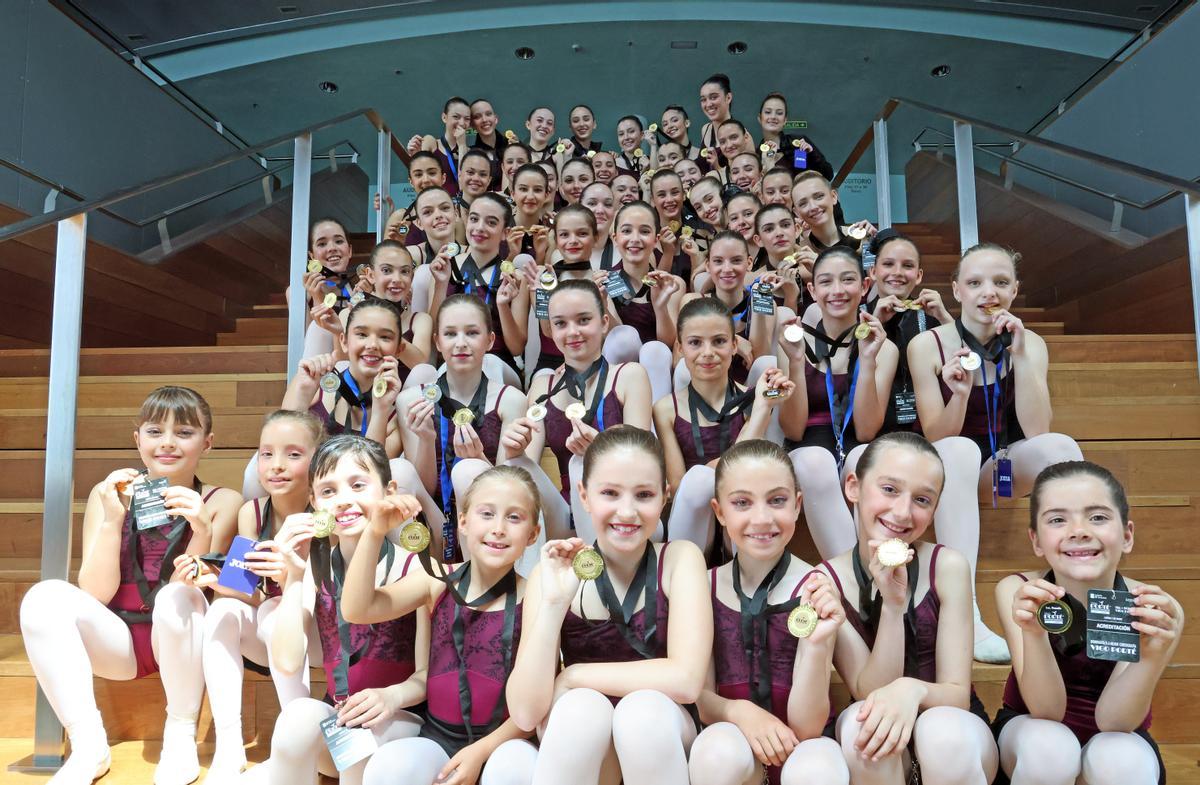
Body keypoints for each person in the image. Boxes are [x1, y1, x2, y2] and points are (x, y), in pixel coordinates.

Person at [20, 387, 240, 785]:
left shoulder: (223, 501)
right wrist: (112, 519)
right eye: (155, 431)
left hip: (179, 640)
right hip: (116, 638)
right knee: (43, 597)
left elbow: (192, 586)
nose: (168, 443)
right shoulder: (109, 495)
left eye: (185, 432)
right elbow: (95, 593)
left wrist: (202, 526)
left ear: (207, 443)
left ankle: (180, 733)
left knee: (177, 595)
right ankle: (89, 747)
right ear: (137, 439)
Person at [501, 426, 712, 785]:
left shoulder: (680, 559)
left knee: (640, 712)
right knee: (583, 709)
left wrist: (574, 676)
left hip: (660, 730)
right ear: (584, 495)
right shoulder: (549, 573)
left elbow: (687, 681)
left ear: (665, 496)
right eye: (610, 493)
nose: (626, 511)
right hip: (580, 733)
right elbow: (524, 712)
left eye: (643, 494)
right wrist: (554, 603)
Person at [909, 242, 1084, 661]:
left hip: (998, 469)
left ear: (1015, 289)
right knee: (959, 451)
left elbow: (1038, 430)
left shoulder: (1030, 343)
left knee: (1062, 447)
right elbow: (936, 435)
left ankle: (1074, 597)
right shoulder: (927, 345)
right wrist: (961, 391)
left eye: (1000, 282)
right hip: (945, 470)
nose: (989, 292)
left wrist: (1021, 355)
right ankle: (964, 611)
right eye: (976, 282)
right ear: (956, 290)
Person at [821, 432, 999, 785]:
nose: (902, 512)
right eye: (889, 489)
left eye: (921, 499)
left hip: (952, 726)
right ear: (853, 486)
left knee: (940, 732)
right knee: (862, 726)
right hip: (879, 725)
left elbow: (956, 693)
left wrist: (911, 689)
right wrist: (893, 604)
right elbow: (868, 690)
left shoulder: (948, 566)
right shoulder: (828, 581)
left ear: (934, 511)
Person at [345, 466, 542, 785]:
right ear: (463, 522)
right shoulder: (434, 580)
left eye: (514, 518)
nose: (499, 528)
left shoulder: (535, 592)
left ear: (533, 534)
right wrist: (374, 532)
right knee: (387, 766)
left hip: (508, 743)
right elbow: (357, 608)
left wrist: (481, 752)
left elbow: (534, 705)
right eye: (487, 514)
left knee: (515, 770)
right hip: (437, 738)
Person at [250, 435, 428, 785]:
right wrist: (295, 577)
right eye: (328, 492)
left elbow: (426, 675)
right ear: (314, 502)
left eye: (358, 485)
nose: (344, 500)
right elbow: (287, 662)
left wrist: (390, 697)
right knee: (296, 716)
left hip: (398, 718)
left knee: (354, 739)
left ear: (388, 489)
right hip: (339, 716)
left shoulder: (416, 569)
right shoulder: (315, 570)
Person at [993, 461, 1182, 785]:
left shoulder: (1155, 608)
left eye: (1097, 517)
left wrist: (1148, 657)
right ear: (1036, 541)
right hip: (1033, 730)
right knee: (1050, 748)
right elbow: (1046, 709)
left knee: (1121, 759)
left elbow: (1115, 719)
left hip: (1118, 735)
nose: (1079, 530)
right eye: (1057, 519)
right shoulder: (1018, 590)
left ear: (1126, 536)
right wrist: (1034, 633)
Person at [688, 440, 849, 785]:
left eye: (777, 500)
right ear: (719, 512)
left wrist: (817, 644)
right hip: (731, 742)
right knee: (716, 751)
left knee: (817, 770)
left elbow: (807, 728)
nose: (761, 518)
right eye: (742, 503)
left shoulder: (818, 587)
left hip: (801, 745)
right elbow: (699, 697)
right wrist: (738, 711)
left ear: (797, 505)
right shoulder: (702, 585)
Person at [203, 410, 324, 779]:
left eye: (293, 454)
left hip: (326, 636)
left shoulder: (327, 514)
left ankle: (296, 743)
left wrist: (291, 579)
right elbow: (245, 589)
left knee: (276, 609)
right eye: (266, 454)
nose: (277, 465)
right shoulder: (252, 513)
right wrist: (208, 577)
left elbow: (329, 597)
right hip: (278, 636)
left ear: (318, 459)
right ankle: (228, 747)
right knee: (222, 610)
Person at [502, 279, 652, 541]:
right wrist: (514, 450)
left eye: (583, 320)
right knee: (515, 466)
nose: (572, 332)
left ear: (604, 322)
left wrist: (601, 448)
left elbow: (642, 460)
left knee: (581, 461)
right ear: (551, 330)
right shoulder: (542, 385)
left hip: (626, 505)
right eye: (561, 323)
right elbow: (528, 465)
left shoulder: (630, 375)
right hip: (567, 509)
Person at [778, 248, 896, 559]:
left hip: (856, 444)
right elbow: (793, 428)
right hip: (808, 449)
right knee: (815, 460)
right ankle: (853, 578)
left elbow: (869, 430)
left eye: (848, 280)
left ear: (865, 286)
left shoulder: (882, 346)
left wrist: (868, 361)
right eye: (826, 282)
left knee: (865, 457)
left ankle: (863, 574)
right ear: (812, 290)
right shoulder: (793, 342)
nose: (838, 291)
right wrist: (794, 363)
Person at [655, 298, 792, 554]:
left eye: (718, 341)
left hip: (742, 518)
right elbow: (678, 488)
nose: (708, 352)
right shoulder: (665, 408)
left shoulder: (757, 398)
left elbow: (753, 476)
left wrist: (763, 409)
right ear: (680, 348)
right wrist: (709, 470)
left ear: (734, 345)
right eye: (695, 342)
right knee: (698, 480)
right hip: (693, 524)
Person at [396, 295, 525, 561]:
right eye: (450, 334)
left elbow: (510, 490)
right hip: (435, 520)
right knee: (398, 470)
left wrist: (479, 460)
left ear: (489, 341)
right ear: (437, 342)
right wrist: (426, 440)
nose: (461, 343)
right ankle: (419, 582)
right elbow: (424, 487)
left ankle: (474, 580)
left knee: (469, 469)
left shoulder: (511, 400)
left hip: (490, 524)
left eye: (472, 333)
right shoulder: (411, 400)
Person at [756, 93, 834, 179]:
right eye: (768, 112)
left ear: (785, 120)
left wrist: (812, 155)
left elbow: (828, 175)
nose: (773, 116)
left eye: (779, 113)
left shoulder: (799, 143)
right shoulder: (757, 155)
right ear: (760, 118)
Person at [698, 74, 734, 163]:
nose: (708, 104)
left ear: (728, 98)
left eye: (713, 97)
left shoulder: (743, 135)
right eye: (703, 100)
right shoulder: (705, 129)